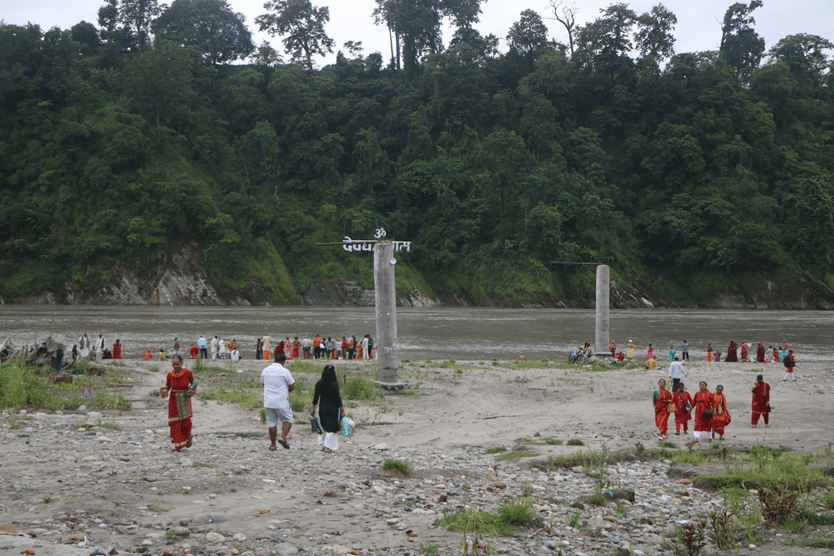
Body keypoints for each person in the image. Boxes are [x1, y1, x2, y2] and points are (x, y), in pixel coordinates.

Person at [160, 355, 196, 451]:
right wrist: (164, 390)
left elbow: (193, 384)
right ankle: (178, 445)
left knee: (186, 422)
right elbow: (168, 386)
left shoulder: (187, 373)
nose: (175, 366)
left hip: (184, 399)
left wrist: (193, 391)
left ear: (182, 363)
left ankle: (188, 437)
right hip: (173, 400)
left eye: (177, 364)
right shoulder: (170, 375)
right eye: (173, 364)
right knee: (175, 422)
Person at [261, 353, 294, 450]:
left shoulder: (265, 370)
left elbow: (263, 383)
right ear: (283, 362)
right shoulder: (285, 371)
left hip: (268, 401)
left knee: (272, 424)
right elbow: (292, 385)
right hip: (281, 401)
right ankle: (283, 438)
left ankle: (273, 445)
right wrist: (286, 391)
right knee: (288, 420)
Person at [311, 365, 346, 453]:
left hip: (322, 408)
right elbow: (338, 399)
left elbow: (315, 399)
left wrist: (313, 410)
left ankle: (325, 444)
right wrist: (342, 410)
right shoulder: (334, 384)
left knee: (325, 427)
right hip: (333, 409)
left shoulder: (319, 383)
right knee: (332, 428)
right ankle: (327, 446)